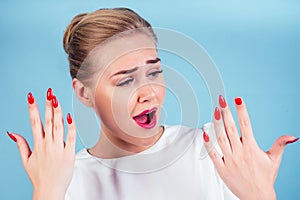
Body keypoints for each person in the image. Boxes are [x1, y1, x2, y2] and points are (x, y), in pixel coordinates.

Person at [6, 7, 298, 200]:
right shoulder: (66, 180)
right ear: (84, 93)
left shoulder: (215, 151)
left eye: (154, 72)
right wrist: (46, 192)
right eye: (125, 80)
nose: (148, 93)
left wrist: (261, 194)